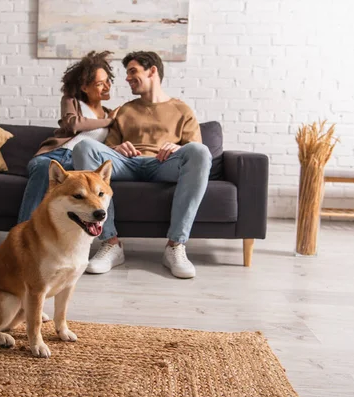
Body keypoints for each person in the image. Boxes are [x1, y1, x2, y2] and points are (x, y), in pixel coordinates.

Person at [72, 51, 212, 279]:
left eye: (132, 71)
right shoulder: (125, 110)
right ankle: (110, 243)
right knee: (84, 147)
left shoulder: (182, 110)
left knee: (200, 151)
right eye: (127, 73)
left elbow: (195, 151)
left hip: (164, 164)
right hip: (127, 163)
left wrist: (178, 149)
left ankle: (176, 245)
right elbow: (106, 153)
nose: (127, 78)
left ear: (153, 71)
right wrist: (118, 149)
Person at [17, 51, 120, 223]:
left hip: (80, 165)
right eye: (100, 83)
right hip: (55, 157)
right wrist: (107, 121)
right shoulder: (71, 101)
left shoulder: (111, 115)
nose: (107, 87)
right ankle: (24, 235)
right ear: (84, 87)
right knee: (43, 169)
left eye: (108, 81)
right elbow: (73, 123)